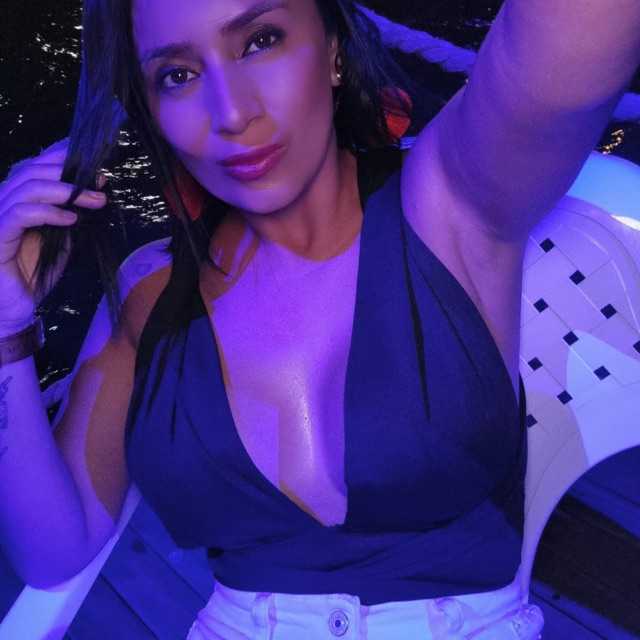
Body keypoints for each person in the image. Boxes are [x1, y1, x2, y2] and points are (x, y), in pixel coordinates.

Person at [0, 0, 638, 637]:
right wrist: (5, 322)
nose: (232, 112)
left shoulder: (453, 200)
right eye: (178, 75)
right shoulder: (150, 289)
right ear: (151, 109)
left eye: (261, 40)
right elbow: (55, 552)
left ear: (334, 49)